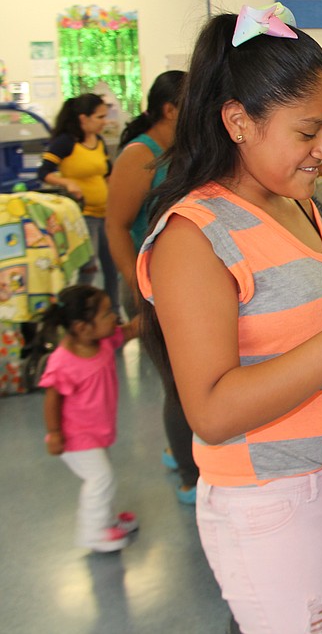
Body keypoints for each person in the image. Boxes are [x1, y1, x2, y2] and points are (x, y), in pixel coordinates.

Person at [136, 3, 322, 633]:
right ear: (238, 122)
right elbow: (213, 411)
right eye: (308, 133)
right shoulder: (193, 236)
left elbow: (301, 338)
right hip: (269, 501)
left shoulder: (295, 206)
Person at [104, 69, 198, 505]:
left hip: (176, 284)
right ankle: (189, 478)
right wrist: (136, 287)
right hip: (145, 283)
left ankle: (175, 450)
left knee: (186, 377)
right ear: (169, 109)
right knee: (179, 386)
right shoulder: (139, 155)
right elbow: (117, 226)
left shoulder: (182, 151)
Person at [39, 284, 141, 553]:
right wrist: (55, 433)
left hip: (96, 432)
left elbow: (130, 330)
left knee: (103, 477)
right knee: (101, 478)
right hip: (75, 437)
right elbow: (52, 399)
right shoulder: (63, 362)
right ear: (83, 327)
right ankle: (93, 533)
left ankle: (106, 521)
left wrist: (155, 313)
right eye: (107, 313)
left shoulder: (103, 341)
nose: (114, 317)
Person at [39, 93, 120, 317]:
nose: (105, 121)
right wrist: (67, 182)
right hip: (84, 216)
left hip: (105, 214)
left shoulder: (99, 142)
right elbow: (44, 172)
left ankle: (113, 313)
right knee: (89, 267)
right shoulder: (65, 142)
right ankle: (79, 315)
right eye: (100, 116)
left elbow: (108, 174)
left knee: (111, 266)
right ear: (83, 118)